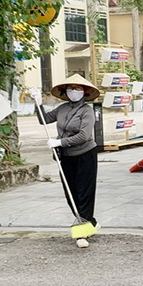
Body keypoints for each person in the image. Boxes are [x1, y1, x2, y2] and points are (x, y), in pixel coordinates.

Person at [38, 74, 99, 248]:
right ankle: (90, 222)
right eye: (71, 88)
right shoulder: (62, 109)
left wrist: (59, 142)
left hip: (85, 154)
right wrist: (38, 103)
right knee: (70, 192)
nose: (74, 92)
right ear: (66, 91)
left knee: (84, 192)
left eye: (78, 89)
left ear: (85, 92)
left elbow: (84, 135)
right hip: (65, 156)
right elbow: (44, 120)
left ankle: (82, 232)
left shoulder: (86, 111)